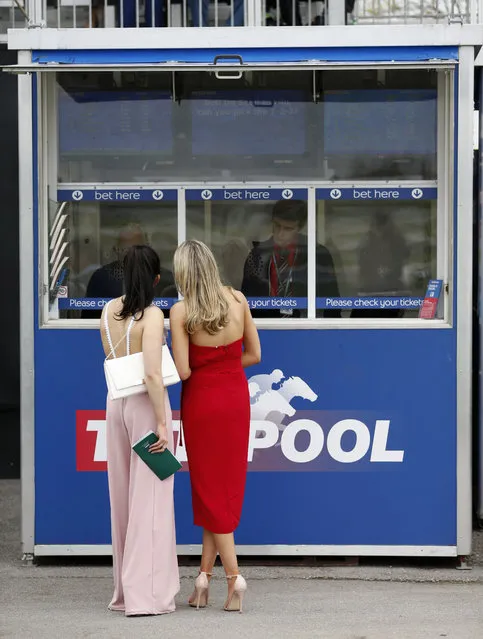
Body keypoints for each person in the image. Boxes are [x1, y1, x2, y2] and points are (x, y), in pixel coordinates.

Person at [170, 239, 261, 613]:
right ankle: (202, 581)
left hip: (203, 402)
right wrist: (224, 367)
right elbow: (254, 354)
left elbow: (184, 370)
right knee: (218, 491)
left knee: (208, 489)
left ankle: (234, 577)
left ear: (183, 273)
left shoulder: (180, 311)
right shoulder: (239, 300)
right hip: (236, 399)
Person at [100, 245, 179, 616]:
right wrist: (163, 421)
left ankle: (123, 593)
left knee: (123, 497)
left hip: (115, 403)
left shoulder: (107, 310)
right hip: (146, 406)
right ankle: (145, 597)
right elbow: (151, 372)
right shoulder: (152, 314)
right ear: (156, 279)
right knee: (151, 499)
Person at [241, 199, 340, 318]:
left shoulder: (317, 254)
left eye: (288, 229)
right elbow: (247, 301)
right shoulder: (257, 255)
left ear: (300, 228)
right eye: (277, 226)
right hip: (266, 324)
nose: (280, 233)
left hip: (304, 324)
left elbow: (331, 301)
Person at [82, 224, 175, 319]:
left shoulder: (164, 278)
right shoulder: (101, 278)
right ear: (116, 250)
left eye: (137, 249)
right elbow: (88, 319)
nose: (132, 256)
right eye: (125, 249)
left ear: (147, 248)